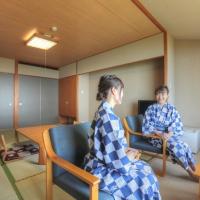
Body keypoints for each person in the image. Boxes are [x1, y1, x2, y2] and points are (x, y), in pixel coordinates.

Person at [83, 75, 161, 200]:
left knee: (145, 167)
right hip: (99, 171)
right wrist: (128, 155)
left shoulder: (102, 110)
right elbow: (119, 164)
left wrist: (126, 150)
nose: (123, 95)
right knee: (145, 181)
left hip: (97, 162)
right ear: (114, 90)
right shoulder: (109, 117)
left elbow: (111, 145)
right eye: (122, 91)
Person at [142, 85, 196, 179]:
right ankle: (189, 171)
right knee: (174, 147)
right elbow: (147, 124)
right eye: (158, 94)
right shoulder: (150, 108)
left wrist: (169, 133)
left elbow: (176, 123)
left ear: (167, 95)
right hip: (155, 137)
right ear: (155, 95)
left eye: (163, 94)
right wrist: (159, 133)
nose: (160, 96)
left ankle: (192, 164)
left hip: (169, 135)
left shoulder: (171, 108)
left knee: (184, 145)